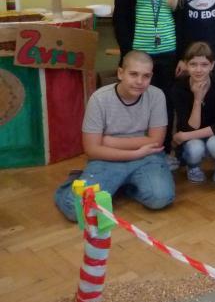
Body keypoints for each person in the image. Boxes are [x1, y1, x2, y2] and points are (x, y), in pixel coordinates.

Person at [54, 51, 175, 221]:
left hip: (146, 157)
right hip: (108, 159)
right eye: (133, 74)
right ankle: (75, 182)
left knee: (161, 198)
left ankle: (122, 185)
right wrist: (135, 152)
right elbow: (92, 150)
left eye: (146, 76)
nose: (139, 81)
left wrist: (108, 141)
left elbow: (156, 141)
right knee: (75, 209)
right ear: (120, 73)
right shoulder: (99, 99)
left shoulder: (156, 95)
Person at [113, 0, 185, 156]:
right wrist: (127, 54)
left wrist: (182, 57)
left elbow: (183, 23)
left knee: (165, 103)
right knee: (136, 99)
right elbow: (120, 19)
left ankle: (163, 150)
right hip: (139, 55)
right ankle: (135, 147)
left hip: (168, 54)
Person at [172, 42, 215, 184]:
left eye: (204, 64)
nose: (198, 70)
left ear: (212, 65)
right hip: (194, 134)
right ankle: (193, 167)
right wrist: (197, 100)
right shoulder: (179, 88)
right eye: (193, 64)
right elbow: (189, 127)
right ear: (186, 65)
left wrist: (184, 136)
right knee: (195, 148)